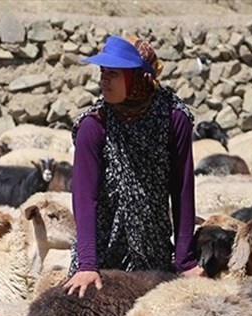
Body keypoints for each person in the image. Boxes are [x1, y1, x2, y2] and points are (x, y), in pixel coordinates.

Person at [63, 35, 205, 299]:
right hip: (102, 254)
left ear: (138, 77)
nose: (103, 80)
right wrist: (87, 264)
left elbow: (182, 189)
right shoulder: (94, 125)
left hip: (154, 253)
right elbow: (85, 198)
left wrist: (184, 261)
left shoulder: (174, 119)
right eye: (102, 72)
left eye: (113, 73)